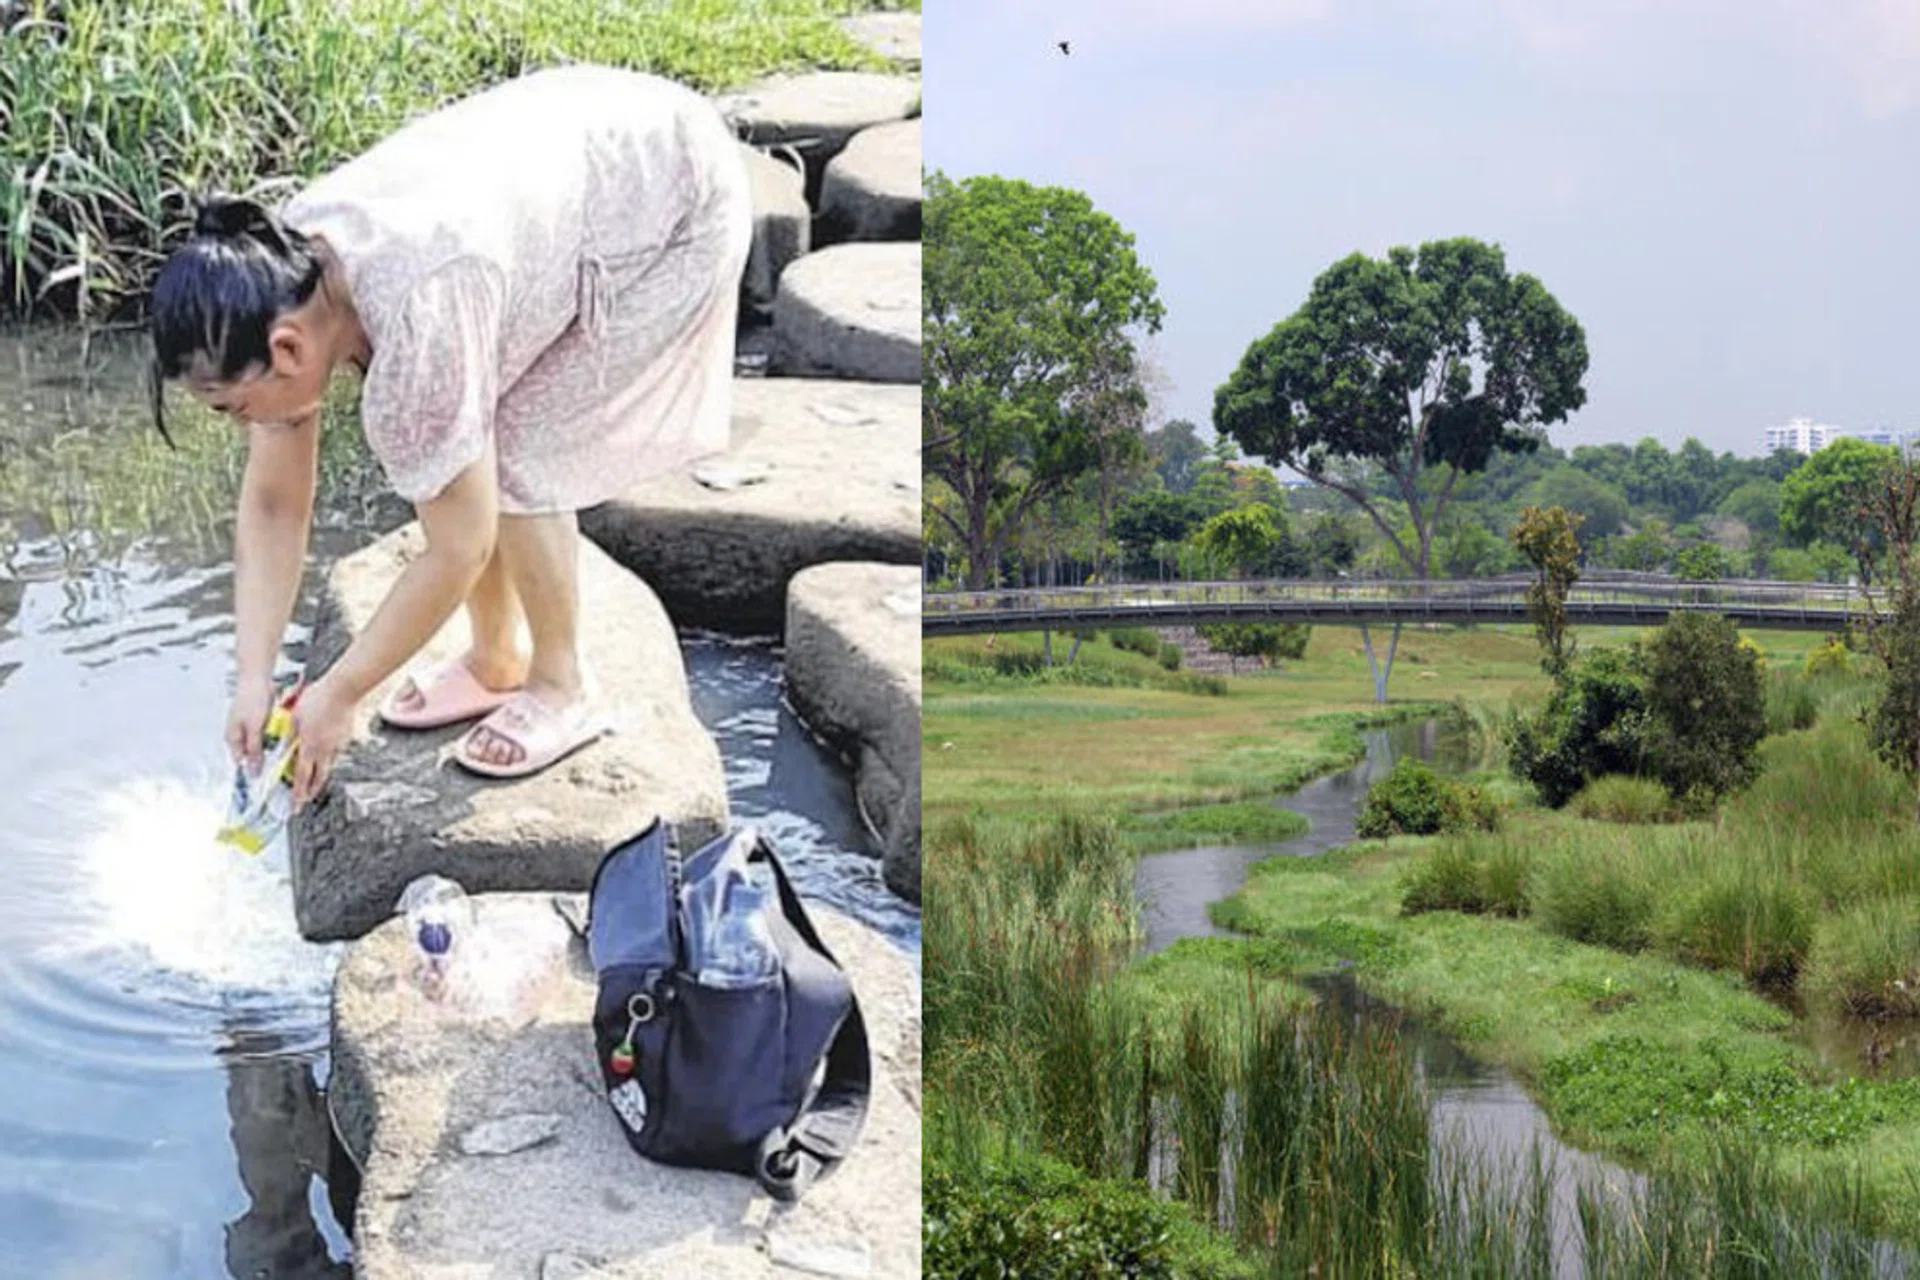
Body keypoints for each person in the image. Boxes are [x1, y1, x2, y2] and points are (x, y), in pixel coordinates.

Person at [147, 65, 753, 808]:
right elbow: (276, 505)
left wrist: (341, 694)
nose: (244, 426)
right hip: (582, 151)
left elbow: (460, 541)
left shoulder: (414, 313)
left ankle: (563, 683)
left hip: (669, 198)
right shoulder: (283, 272)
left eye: (234, 409)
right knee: (468, 430)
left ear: (287, 351)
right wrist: (252, 677)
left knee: (526, 446)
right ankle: (497, 657)